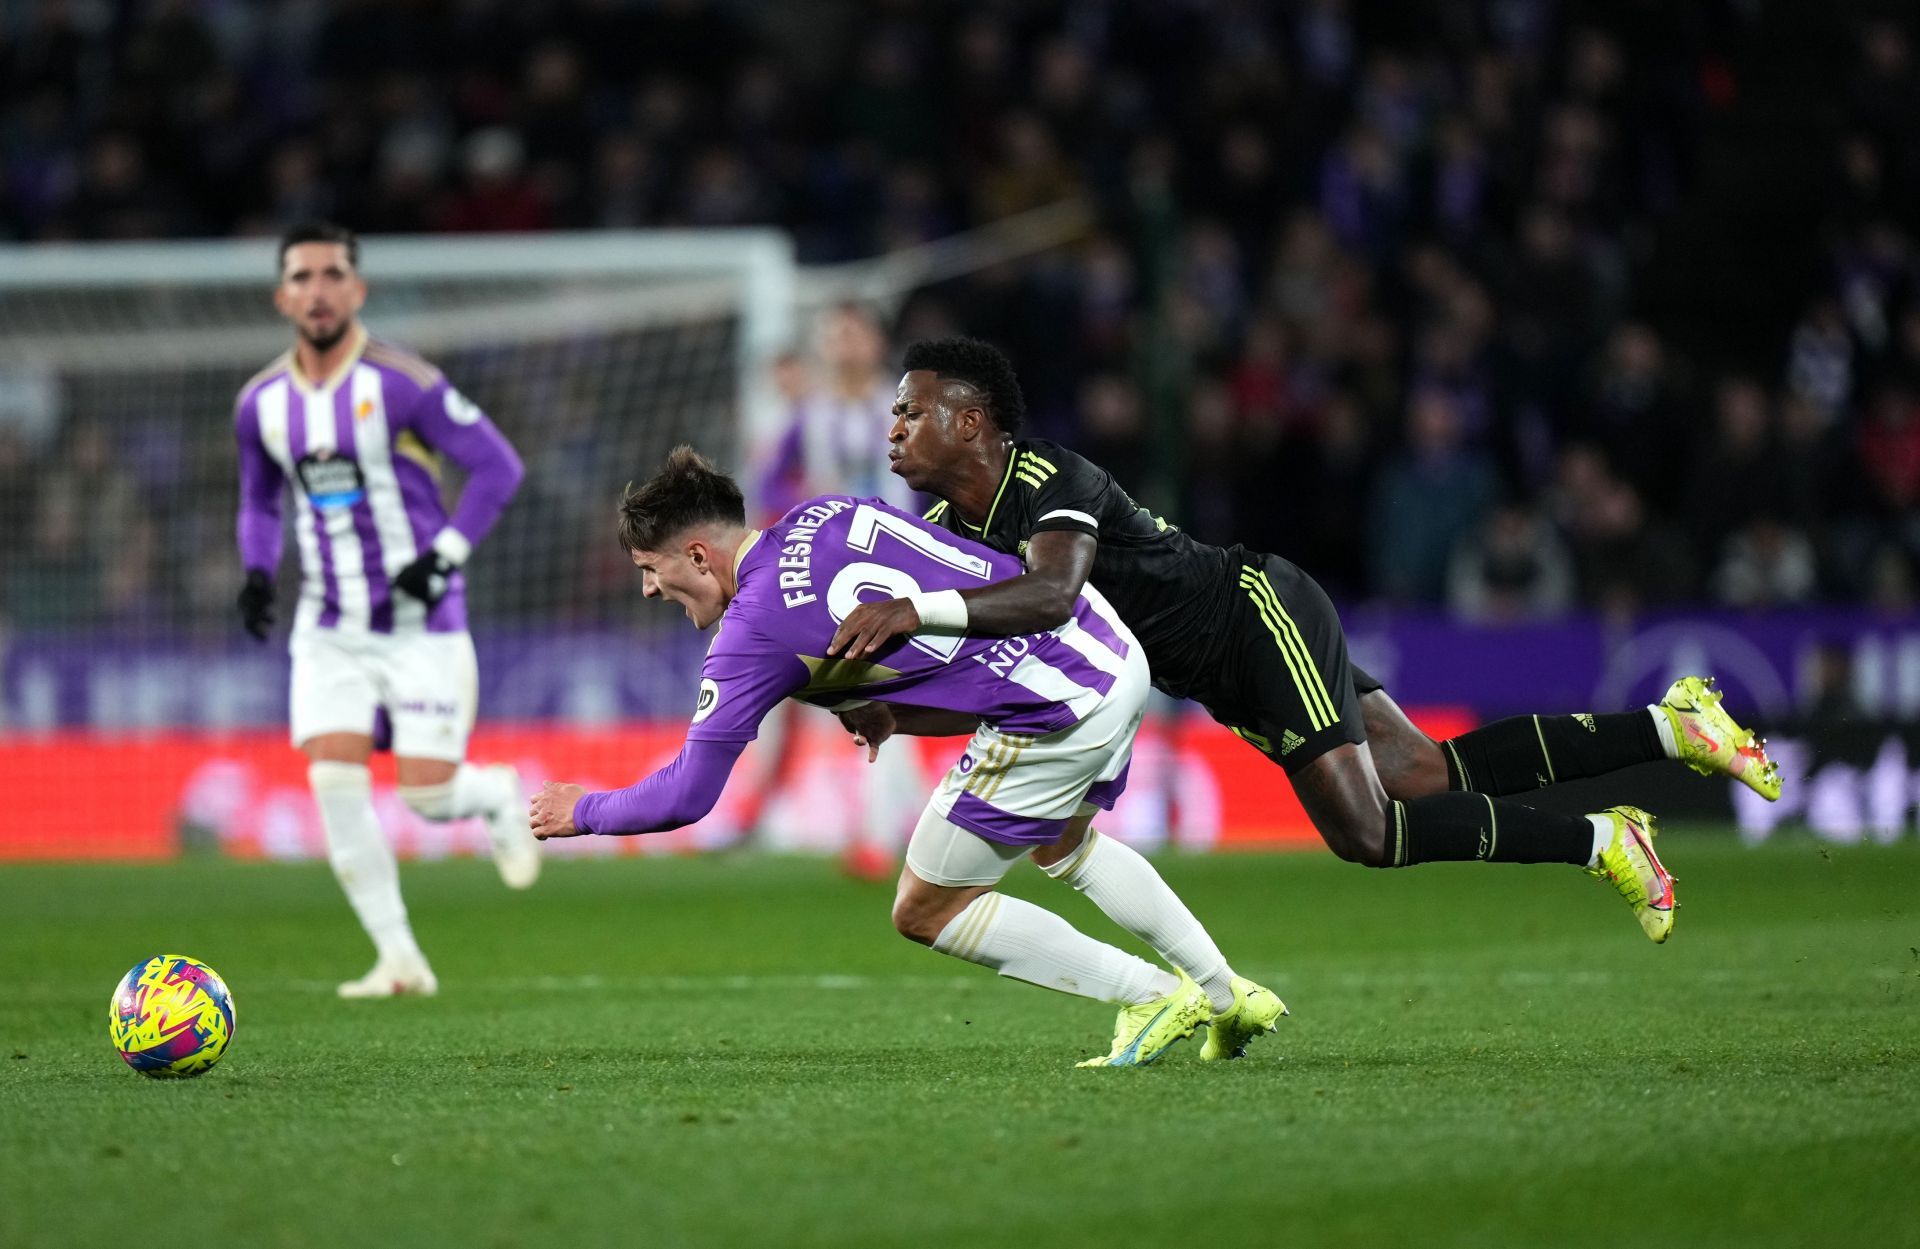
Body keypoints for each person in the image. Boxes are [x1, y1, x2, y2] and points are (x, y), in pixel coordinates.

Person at [829, 338, 1788, 945]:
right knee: (1423, 775)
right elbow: (998, 668)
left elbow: (1051, 596)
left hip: (1254, 612)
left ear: (971, 420)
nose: (895, 430)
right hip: (1230, 674)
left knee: (1367, 832)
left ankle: (1604, 842)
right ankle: (1672, 728)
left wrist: (913, 614)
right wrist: (892, 708)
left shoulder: (1047, 477)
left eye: (911, 411)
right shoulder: (957, 541)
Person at [530, 447, 1285, 1067]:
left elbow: (687, 794)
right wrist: (891, 706)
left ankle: (1153, 992)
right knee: (1064, 841)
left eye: (649, 568)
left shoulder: (751, 629)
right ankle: (1226, 993)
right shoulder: (824, 511)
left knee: (925, 908)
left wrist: (583, 810)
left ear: (697, 552)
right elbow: (939, 601)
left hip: (1055, 704)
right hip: (1107, 648)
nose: (647, 588)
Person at [234, 221, 538, 999]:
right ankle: (400, 959)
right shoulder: (261, 404)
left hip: (419, 625)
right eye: (302, 277)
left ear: (358, 289)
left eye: (333, 273)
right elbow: (261, 501)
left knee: (428, 795)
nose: (319, 289)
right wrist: (259, 573)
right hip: (329, 626)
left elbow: (498, 468)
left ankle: (494, 793)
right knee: (334, 780)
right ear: (282, 296)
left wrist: (443, 558)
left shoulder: (401, 383)